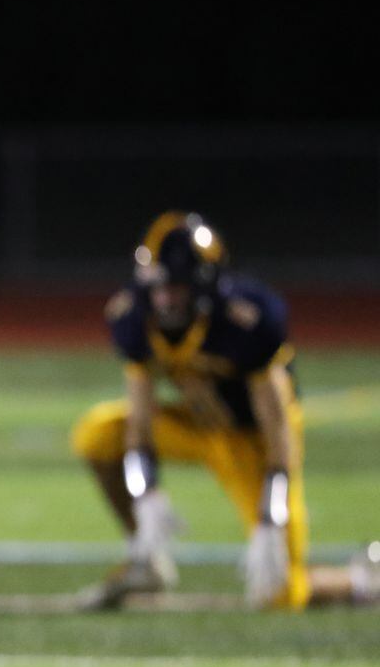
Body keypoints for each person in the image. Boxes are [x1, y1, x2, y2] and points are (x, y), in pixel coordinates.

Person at [73, 211, 377, 610]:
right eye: (158, 286)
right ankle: (144, 558)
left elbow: (278, 429)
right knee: (98, 433)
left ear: (203, 283)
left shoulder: (247, 321)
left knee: (281, 594)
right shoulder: (134, 316)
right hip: (196, 426)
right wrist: (145, 494)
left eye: (175, 286)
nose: (163, 298)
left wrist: (271, 517)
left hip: (253, 442)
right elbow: (140, 423)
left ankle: (362, 581)